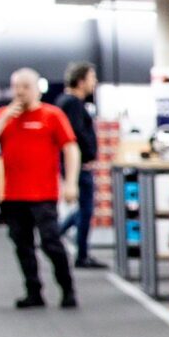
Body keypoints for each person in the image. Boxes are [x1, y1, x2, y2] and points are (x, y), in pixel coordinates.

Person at [0, 68, 80, 309]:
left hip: (43, 194)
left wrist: (70, 182)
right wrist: (4, 118)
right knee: (22, 245)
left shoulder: (52, 115)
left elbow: (71, 148)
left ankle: (67, 289)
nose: (20, 92)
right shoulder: (5, 115)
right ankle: (33, 291)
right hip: (13, 195)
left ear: (36, 89)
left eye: (25, 86)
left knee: (51, 242)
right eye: (16, 87)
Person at [53, 60, 106, 269]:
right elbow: (74, 137)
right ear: (81, 80)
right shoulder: (72, 103)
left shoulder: (68, 102)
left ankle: (56, 234)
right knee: (86, 209)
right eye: (92, 78)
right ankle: (81, 253)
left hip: (79, 165)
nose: (94, 83)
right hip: (80, 166)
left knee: (84, 209)